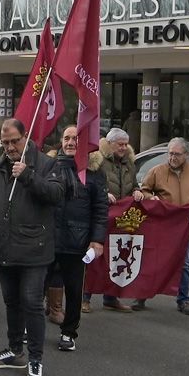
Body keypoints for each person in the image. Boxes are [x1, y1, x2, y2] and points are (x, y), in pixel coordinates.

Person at [0, 118, 64, 376]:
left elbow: (56, 194)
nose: (11, 146)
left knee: (32, 303)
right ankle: (15, 350)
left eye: (15, 140)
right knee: (12, 301)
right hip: (4, 246)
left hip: (35, 248)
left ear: (26, 137)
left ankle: (35, 359)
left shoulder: (47, 163)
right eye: (5, 142)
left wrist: (27, 175)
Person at [134, 136, 189, 316]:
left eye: (177, 154)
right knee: (153, 262)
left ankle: (183, 300)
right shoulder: (157, 171)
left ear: (186, 155)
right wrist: (150, 198)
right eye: (170, 154)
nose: (172, 158)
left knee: (184, 265)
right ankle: (142, 296)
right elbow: (144, 189)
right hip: (162, 228)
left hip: (186, 229)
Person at [50, 126, 107, 352]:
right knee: (35, 286)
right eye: (67, 138)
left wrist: (97, 240)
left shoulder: (94, 173)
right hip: (48, 239)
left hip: (77, 242)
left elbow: (101, 210)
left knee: (74, 291)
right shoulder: (50, 167)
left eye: (75, 138)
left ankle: (68, 332)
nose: (71, 142)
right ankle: (28, 328)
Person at [93, 128, 138, 312]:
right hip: (102, 213)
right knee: (96, 256)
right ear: (110, 144)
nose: (124, 148)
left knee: (117, 256)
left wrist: (137, 191)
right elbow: (92, 184)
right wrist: (105, 194)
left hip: (121, 217)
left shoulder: (129, 163)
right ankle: (86, 297)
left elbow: (134, 183)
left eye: (126, 144)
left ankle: (111, 297)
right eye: (120, 144)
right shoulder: (98, 161)